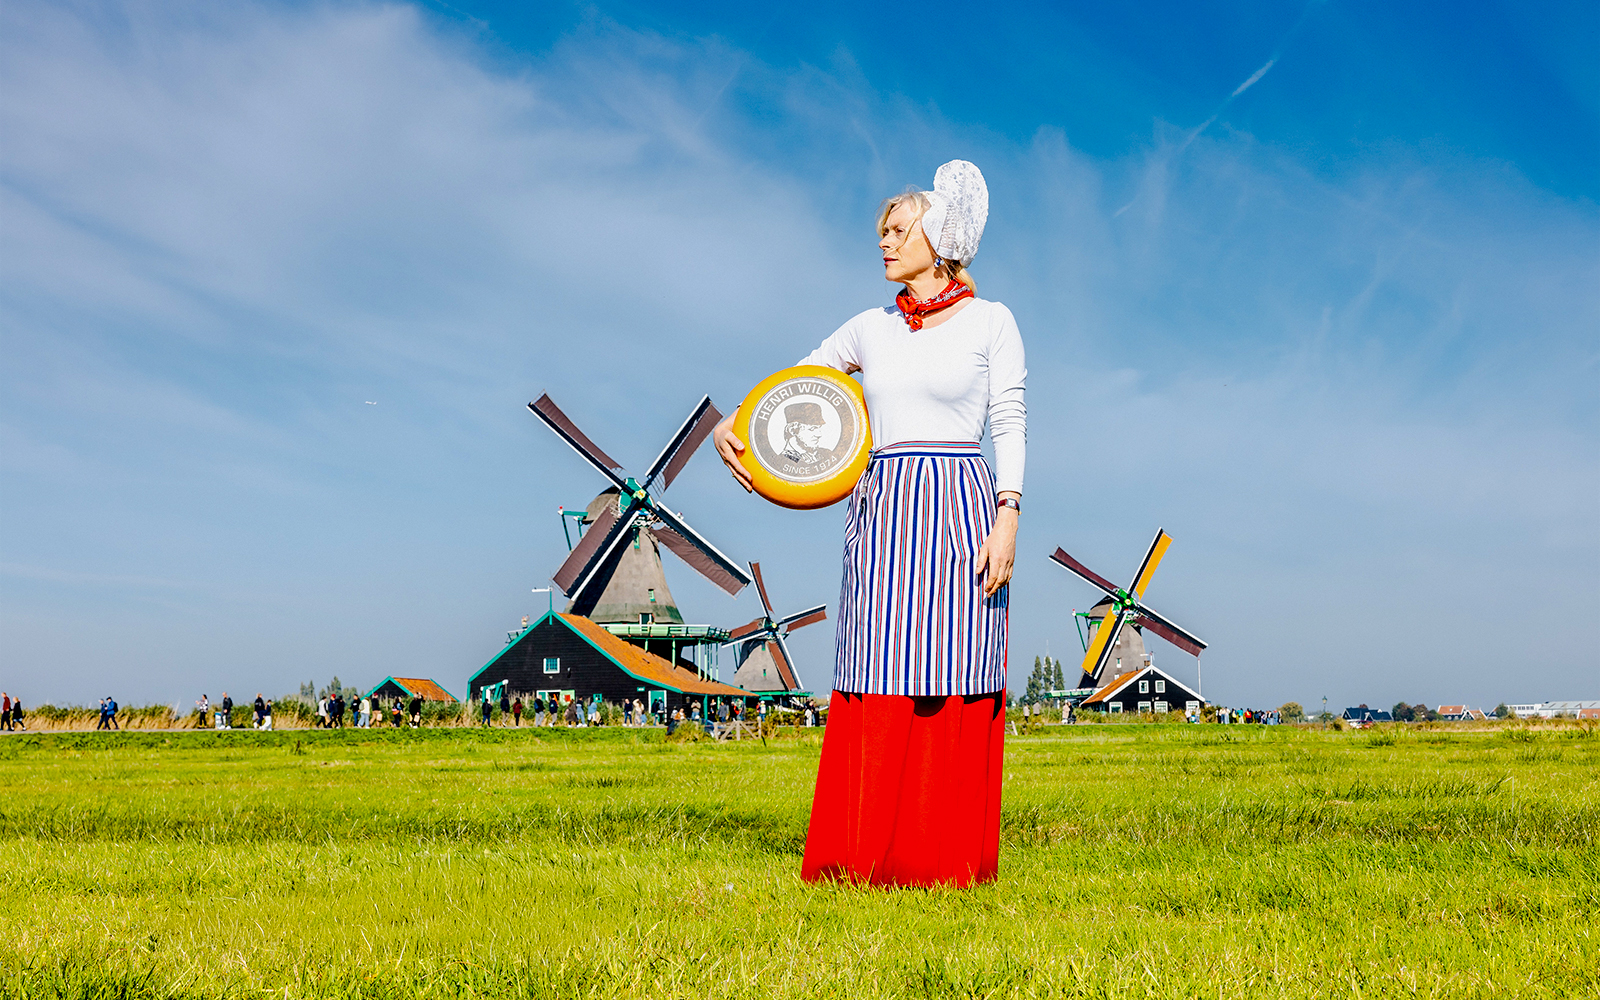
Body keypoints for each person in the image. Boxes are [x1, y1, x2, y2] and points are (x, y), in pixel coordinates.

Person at [716, 161, 1019, 889]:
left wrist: (1008, 514)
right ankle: (861, 858)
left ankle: (942, 859)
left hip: (961, 503)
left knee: (954, 667)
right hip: (882, 507)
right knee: (878, 666)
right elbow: (800, 385)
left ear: (937, 236)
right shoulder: (868, 327)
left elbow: (1008, 417)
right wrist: (739, 421)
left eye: (897, 230)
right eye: (880, 231)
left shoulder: (991, 320)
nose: (883, 242)